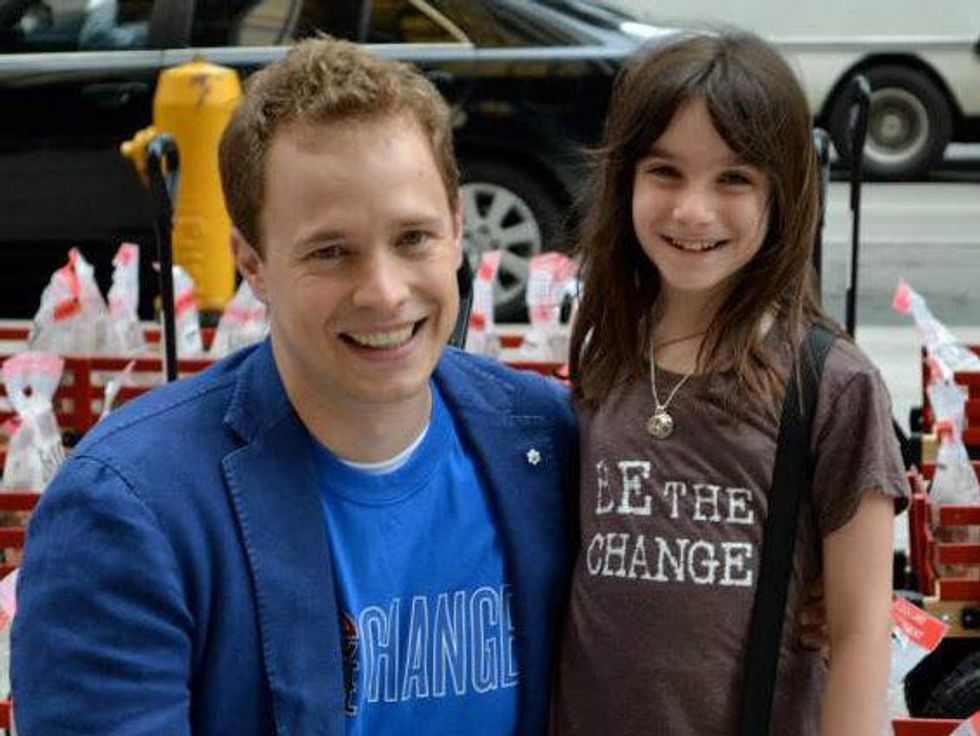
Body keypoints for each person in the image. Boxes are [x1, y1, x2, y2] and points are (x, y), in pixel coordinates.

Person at [12, 37, 577, 735]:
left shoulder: (546, 440)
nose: (383, 292)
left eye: (413, 239)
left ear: (459, 231)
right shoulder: (129, 512)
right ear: (251, 263)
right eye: (330, 252)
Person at [552, 31, 905, 736]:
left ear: (784, 194)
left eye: (734, 179)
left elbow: (864, 631)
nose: (692, 211)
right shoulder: (609, 349)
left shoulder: (830, 385)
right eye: (665, 173)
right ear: (625, 179)